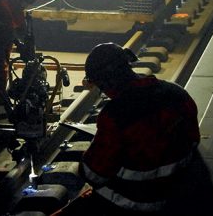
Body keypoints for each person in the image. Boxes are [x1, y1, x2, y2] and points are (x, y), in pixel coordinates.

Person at [53, 42, 200, 215]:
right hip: (181, 190)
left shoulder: (115, 115)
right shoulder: (176, 92)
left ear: (106, 82)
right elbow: (194, 140)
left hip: (136, 201)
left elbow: (94, 175)